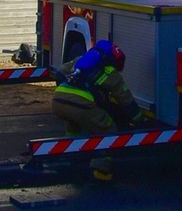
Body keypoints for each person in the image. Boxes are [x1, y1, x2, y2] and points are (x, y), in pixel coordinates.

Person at [50, 40, 149, 180]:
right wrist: (140, 120)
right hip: (80, 105)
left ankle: (70, 161)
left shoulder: (80, 61)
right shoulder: (110, 72)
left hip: (58, 101)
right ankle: (100, 170)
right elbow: (125, 99)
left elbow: (59, 73)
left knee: (74, 129)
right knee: (108, 130)